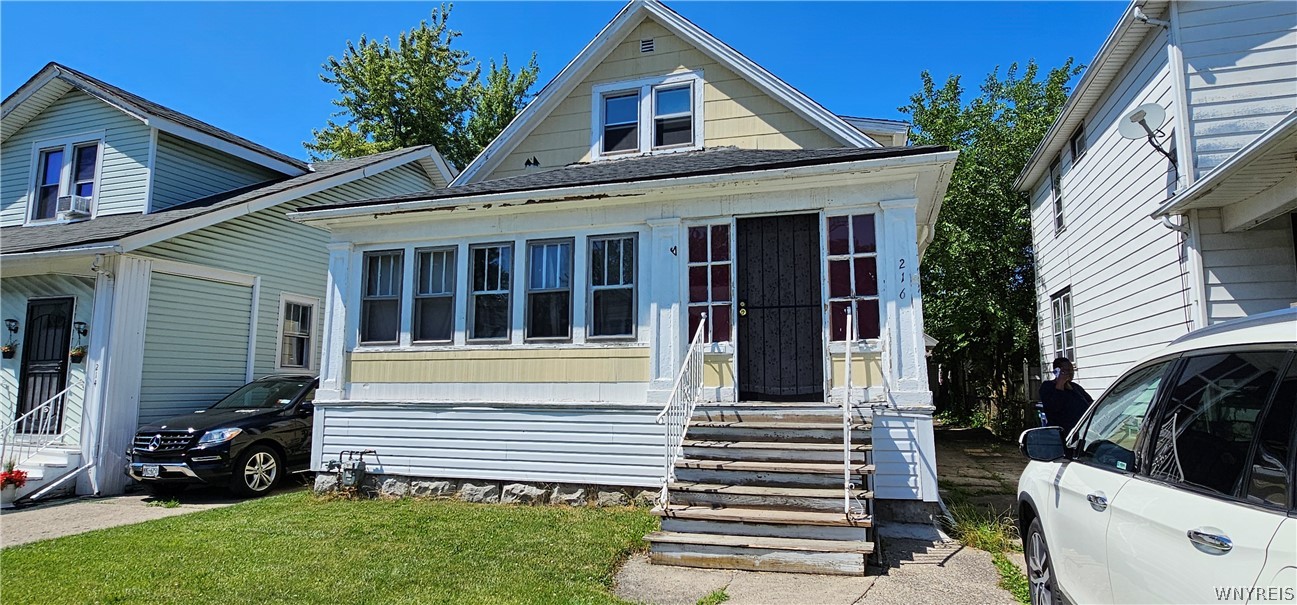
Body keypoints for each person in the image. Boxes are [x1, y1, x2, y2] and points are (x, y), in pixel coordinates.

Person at [1039, 357, 1093, 436]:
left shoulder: (1075, 387)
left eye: (1072, 370)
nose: (1071, 373)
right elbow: (1054, 407)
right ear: (1056, 371)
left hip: (1080, 431)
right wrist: (1060, 382)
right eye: (1067, 370)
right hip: (1061, 434)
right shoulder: (1048, 386)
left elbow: (1089, 402)